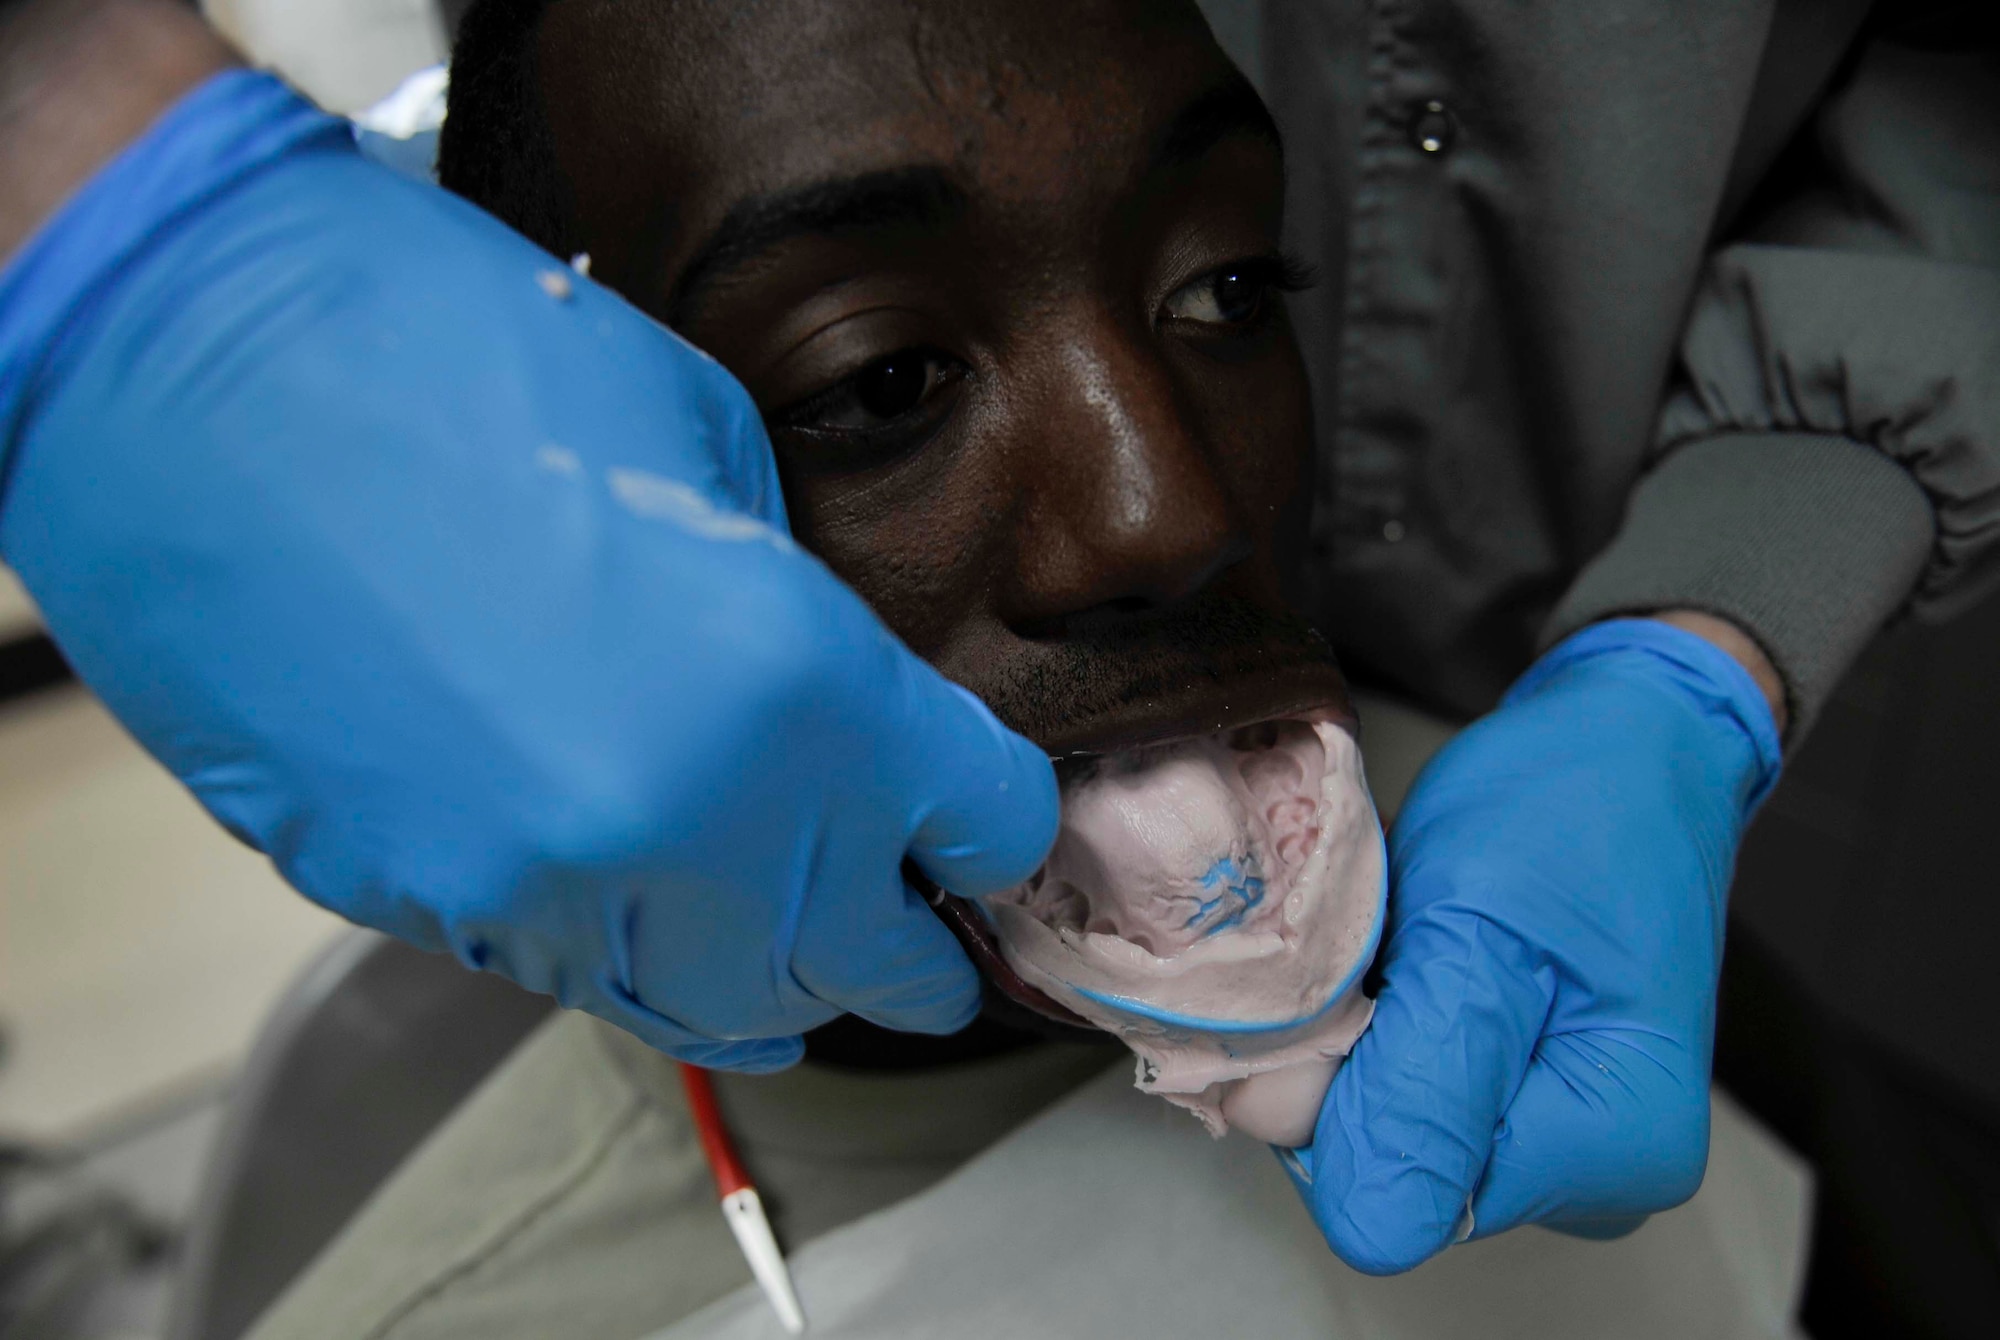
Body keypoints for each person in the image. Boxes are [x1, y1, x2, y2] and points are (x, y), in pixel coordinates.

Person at [0, 0, 1991, 1331]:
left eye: (1225, 284)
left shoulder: (1650, 942)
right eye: (880, 380)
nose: (1166, 509)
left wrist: (1711, 634)